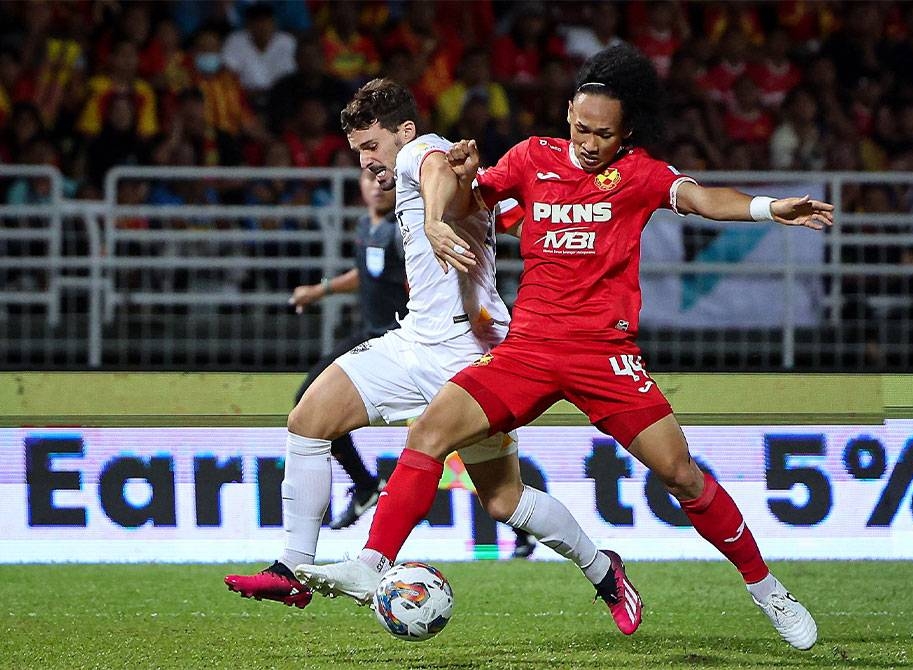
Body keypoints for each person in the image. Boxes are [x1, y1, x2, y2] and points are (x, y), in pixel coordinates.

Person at [297, 46, 833, 651]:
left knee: (682, 475)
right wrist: (464, 180)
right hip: (526, 350)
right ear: (568, 114)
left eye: (602, 133)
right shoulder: (532, 157)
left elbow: (703, 198)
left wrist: (768, 208)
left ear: (626, 131)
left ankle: (768, 591)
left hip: (605, 354)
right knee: (428, 435)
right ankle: (372, 563)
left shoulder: (640, 175)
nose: (586, 141)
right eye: (579, 126)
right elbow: (469, 199)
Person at [227, 78, 643, 635]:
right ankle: (293, 568)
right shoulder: (408, 169)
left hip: (468, 356)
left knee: (503, 501)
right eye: (357, 154)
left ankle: (603, 569)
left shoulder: (422, 152)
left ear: (402, 131)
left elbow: (434, 170)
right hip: (414, 342)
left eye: (372, 146)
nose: (368, 161)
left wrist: (433, 218)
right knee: (308, 419)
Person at [287, 167, 406, 530]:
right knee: (309, 397)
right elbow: (364, 274)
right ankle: (366, 483)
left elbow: (420, 281)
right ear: (361, 186)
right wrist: (319, 290)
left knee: (457, 435)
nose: (378, 186)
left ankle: (519, 526)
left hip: (398, 339)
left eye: (387, 181)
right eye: (371, 179)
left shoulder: (401, 232)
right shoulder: (364, 227)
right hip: (370, 335)